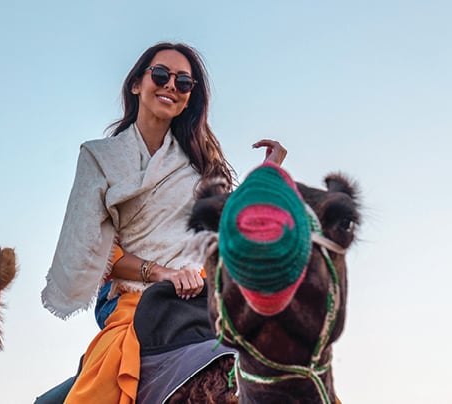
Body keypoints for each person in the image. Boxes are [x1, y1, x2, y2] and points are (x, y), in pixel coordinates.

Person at [40, 42, 286, 403]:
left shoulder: (201, 168)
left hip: (205, 301)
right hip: (139, 304)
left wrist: (268, 174)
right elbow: (93, 253)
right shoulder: (99, 157)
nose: (171, 85)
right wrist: (162, 273)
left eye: (183, 82)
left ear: (189, 98)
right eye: (160, 75)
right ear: (137, 84)